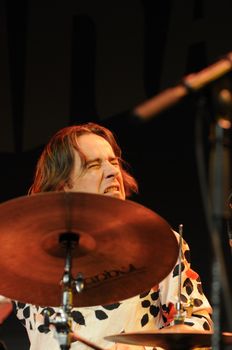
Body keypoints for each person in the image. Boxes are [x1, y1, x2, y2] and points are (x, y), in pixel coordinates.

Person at [12, 122, 212, 350]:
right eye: (94, 165)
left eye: (113, 162)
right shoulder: (25, 253)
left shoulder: (158, 243)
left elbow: (196, 324)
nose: (112, 171)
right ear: (64, 185)